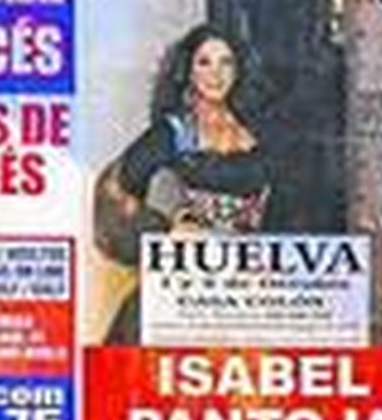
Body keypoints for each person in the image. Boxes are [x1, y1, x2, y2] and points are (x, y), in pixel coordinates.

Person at [94, 23, 272, 343]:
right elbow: (114, 190)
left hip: (248, 282)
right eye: (204, 62)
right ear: (188, 70)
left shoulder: (256, 129)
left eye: (225, 62)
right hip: (185, 281)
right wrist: (166, 232)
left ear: (238, 69)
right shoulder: (174, 132)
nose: (215, 74)